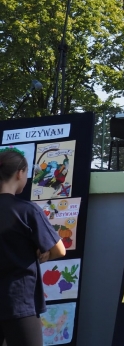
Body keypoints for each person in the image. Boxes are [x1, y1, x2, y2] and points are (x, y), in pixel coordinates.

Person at [0, 148, 66, 346]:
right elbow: (59, 250)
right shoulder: (27, 210)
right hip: (18, 302)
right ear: (20, 173)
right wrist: (43, 254)